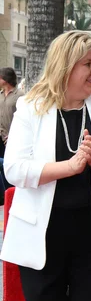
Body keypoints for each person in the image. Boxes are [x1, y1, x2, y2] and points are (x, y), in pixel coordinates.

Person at [0, 31, 91, 301]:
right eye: (87, 64)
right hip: (43, 232)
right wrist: (69, 168)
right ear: (65, 67)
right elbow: (14, 169)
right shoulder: (32, 108)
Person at [0, 67, 24, 202]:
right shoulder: (0, 94)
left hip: (12, 138)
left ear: (5, 79)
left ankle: (12, 194)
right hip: (1, 137)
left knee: (9, 166)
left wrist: (15, 134)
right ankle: (5, 194)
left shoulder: (20, 95)